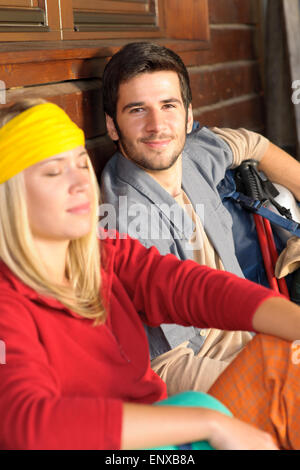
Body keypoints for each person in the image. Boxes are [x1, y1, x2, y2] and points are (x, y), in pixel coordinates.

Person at [1, 100, 300, 451]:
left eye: (81, 163)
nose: (80, 182)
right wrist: (209, 423)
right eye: (53, 172)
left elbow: (193, 288)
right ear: (11, 197)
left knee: (279, 356)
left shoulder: (103, 253)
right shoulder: (7, 305)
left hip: (162, 433)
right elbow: (28, 425)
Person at [100, 41, 300, 394]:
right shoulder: (125, 221)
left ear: (189, 115)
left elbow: (250, 143)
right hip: (201, 377)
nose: (157, 126)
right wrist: (274, 385)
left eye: (168, 106)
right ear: (112, 126)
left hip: (259, 339)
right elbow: (167, 366)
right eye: (136, 110)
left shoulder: (191, 155)